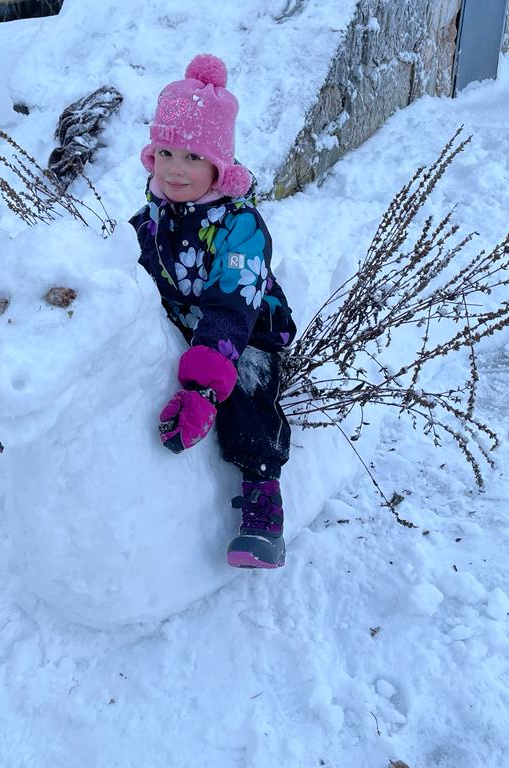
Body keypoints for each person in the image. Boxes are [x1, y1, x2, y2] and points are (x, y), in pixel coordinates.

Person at [128, 54, 297, 569]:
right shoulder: (150, 219)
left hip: (244, 329)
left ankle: (262, 499)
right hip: (181, 322)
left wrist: (203, 389)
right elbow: (114, 278)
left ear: (218, 166)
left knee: (246, 387)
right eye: (165, 152)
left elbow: (231, 305)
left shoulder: (240, 226)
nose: (175, 169)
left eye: (191, 157)